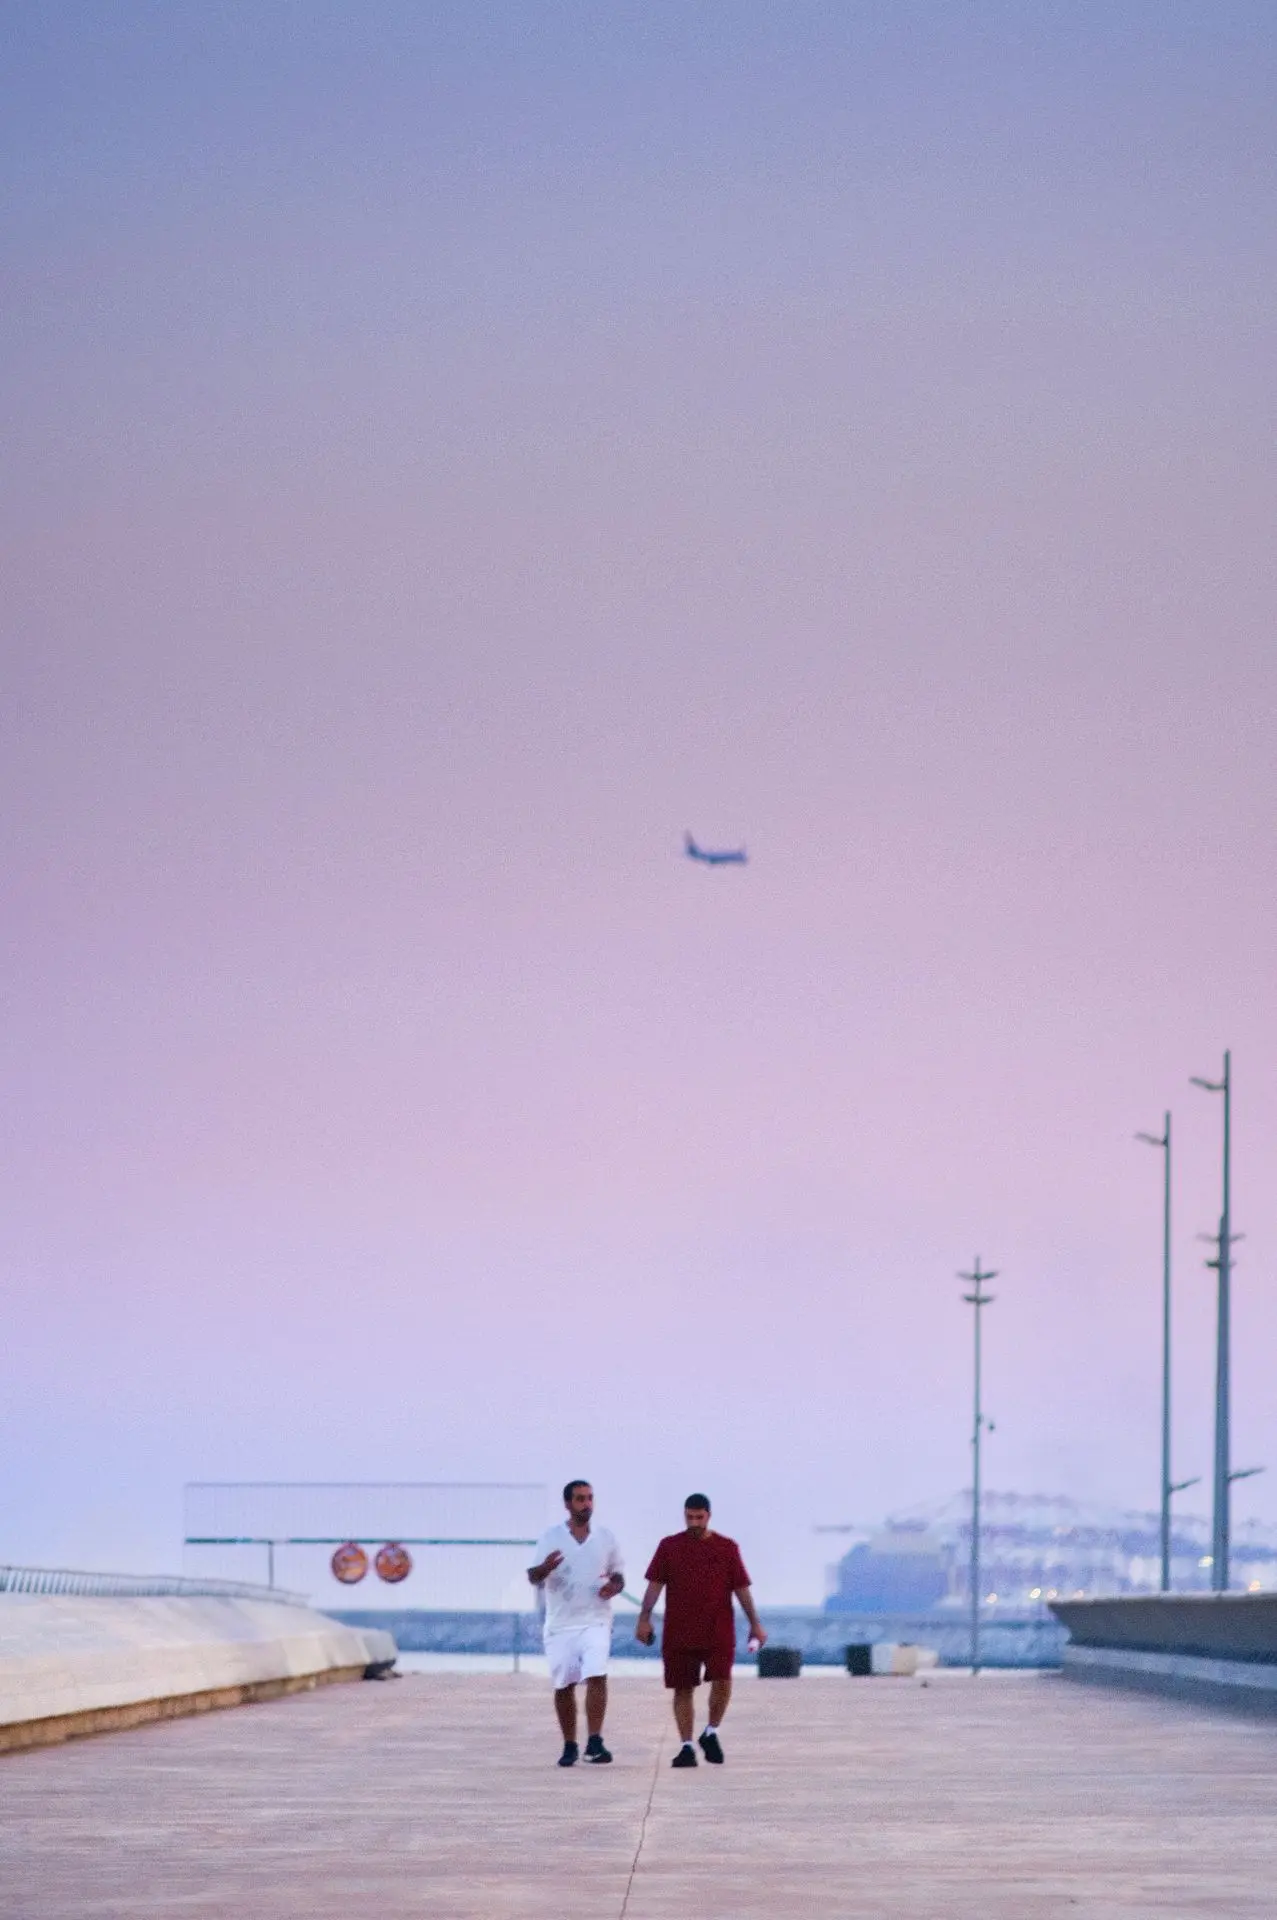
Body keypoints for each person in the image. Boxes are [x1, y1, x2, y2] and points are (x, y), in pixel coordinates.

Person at [635, 1493, 766, 1767]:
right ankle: (686, 1746)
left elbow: (741, 1589)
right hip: (679, 1630)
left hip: (718, 1629)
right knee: (682, 1688)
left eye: (699, 1517)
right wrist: (644, 1619)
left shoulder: (727, 1548)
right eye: (689, 1517)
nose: (694, 1522)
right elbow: (654, 1586)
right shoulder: (669, 1547)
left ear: (709, 1516)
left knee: (722, 1680)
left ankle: (711, 1731)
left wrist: (755, 1623)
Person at [527, 1479, 625, 1767]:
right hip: (560, 1623)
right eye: (580, 1499)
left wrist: (614, 1587)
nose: (587, 1504)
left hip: (596, 1619)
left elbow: (618, 1575)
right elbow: (533, 1575)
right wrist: (546, 1568)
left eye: (590, 1498)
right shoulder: (551, 1537)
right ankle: (570, 1744)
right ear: (568, 1504)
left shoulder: (605, 1537)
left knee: (597, 1673)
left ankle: (594, 1741)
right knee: (564, 1684)